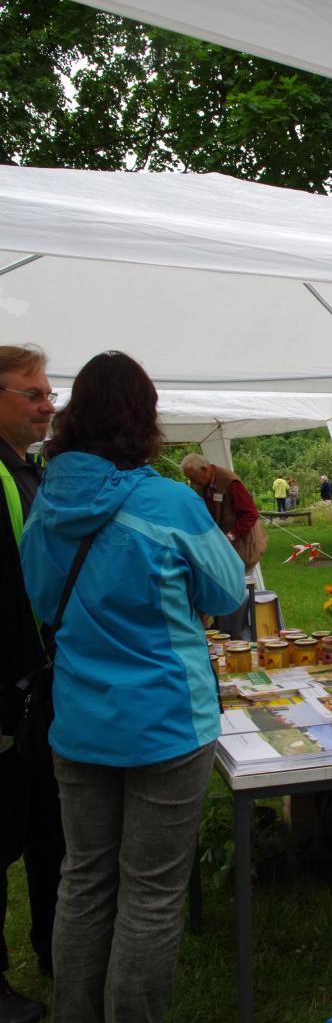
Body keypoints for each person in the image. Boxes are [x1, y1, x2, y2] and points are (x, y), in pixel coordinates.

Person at [20, 351, 246, 1023]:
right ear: (144, 421)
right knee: (149, 894)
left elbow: (39, 597)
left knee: (84, 882)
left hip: (80, 722)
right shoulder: (168, 501)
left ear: (72, 417)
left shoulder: (46, 497)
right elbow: (227, 588)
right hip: (167, 724)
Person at [0, 344, 62, 1023]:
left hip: (38, 687)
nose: (47, 404)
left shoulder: (30, 470)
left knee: (47, 826)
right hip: (11, 688)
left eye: (47, 392)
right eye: (32, 393)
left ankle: (53, 948)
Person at [181, 453, 268, 637]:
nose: (191, 481)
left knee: (236, 586)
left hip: (243, 544)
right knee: (211, 581)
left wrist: (231, 535)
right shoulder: (201, 484)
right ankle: (217, 629)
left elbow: (251, 514)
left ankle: (237, 633)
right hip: (220, 545)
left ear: (204, 470)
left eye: (192, 477)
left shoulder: (229, 482)